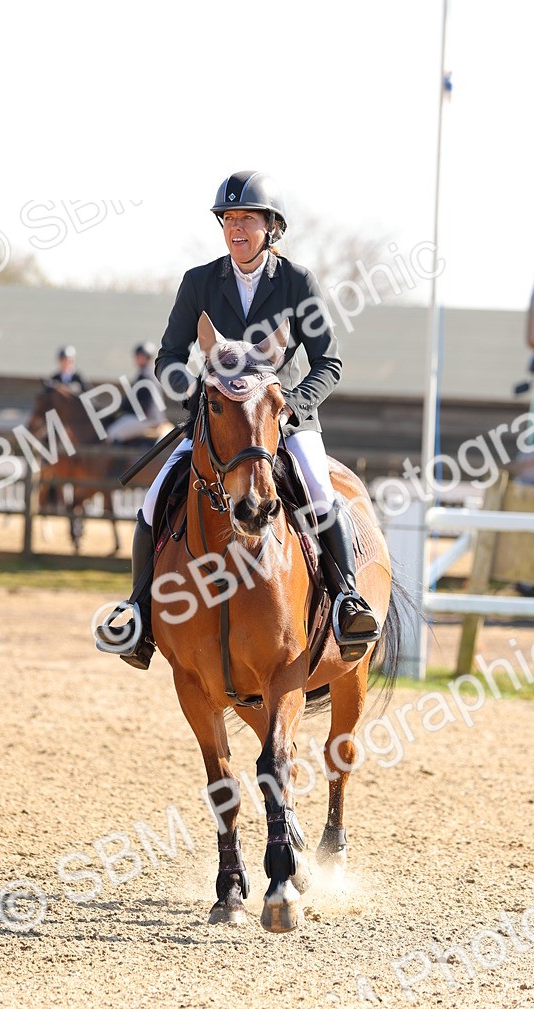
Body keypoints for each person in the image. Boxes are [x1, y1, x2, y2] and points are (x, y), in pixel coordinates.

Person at [102, 170, 381, 670]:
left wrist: (291, 403)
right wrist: (195, 394)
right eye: (228, 219)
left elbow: (329, 362)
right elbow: (169, 355)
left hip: (285, 423)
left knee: (319, 491)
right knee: (152, 503)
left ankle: (346, 602)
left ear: (271, 227)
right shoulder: (199, 282)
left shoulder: (298, 283)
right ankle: (140, 614)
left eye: (247, 219)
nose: (236, 228)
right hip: (215, 426)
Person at [106, 342, 167, 443]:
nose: (136, 359)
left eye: (139, 356)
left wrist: (120, 410)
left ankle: (120, 458)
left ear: (145, 357)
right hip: (153, 417)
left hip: (148, 418)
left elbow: (135, 401)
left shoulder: (145, 376)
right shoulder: (151, 373)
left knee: (112, 433)